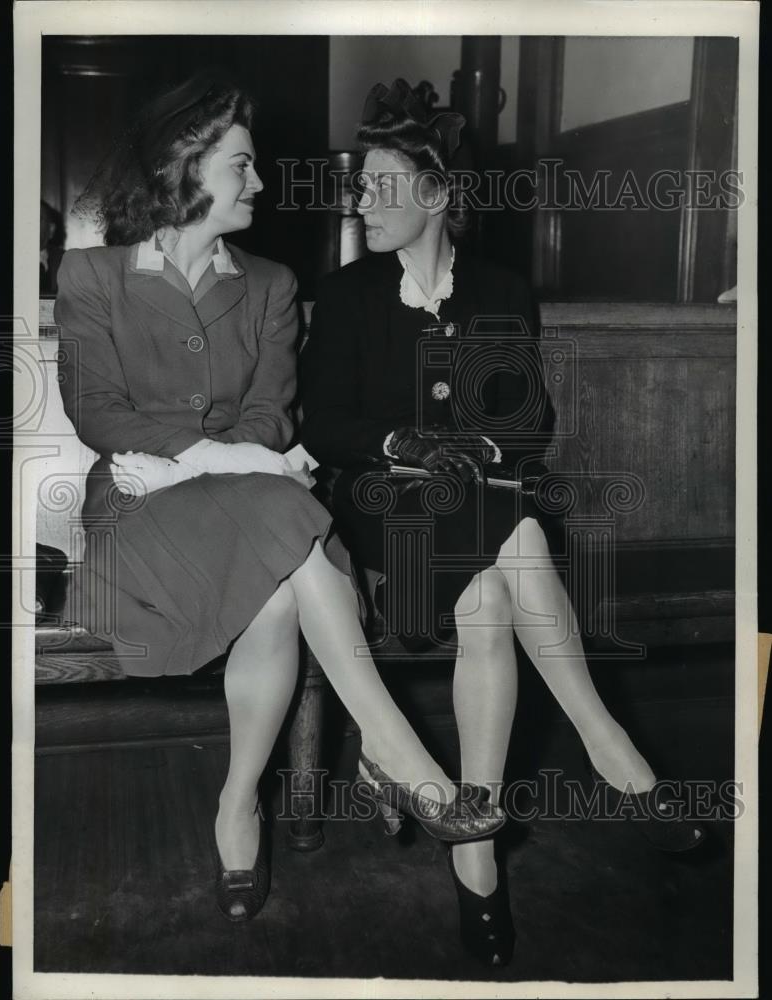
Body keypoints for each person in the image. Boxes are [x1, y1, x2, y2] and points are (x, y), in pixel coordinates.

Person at [54, 70, 505, 926]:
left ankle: (239, 804)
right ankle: (400, 755)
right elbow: (97, 414)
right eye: (242, 165)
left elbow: (267, 419)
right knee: (290, 515)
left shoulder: (266, 285)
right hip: (140, 514)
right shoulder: (93, 278)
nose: (260, 183)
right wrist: (211, 465)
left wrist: (214, 462)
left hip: (251, 504)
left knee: (274, 578)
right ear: (185, 166)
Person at [299, 78, 707, 967]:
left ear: (438, 194)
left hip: (477, 508)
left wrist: (473, 453)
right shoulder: (349, 294)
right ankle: (611, 748)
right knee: (511, 532)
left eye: (383, 186)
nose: (362, 201)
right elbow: (323, 424)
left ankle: (476, 860)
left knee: (490, 592)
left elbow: (524, 424)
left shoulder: (498, 290)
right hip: (384, 516)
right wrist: (406, 442)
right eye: (359, 187)